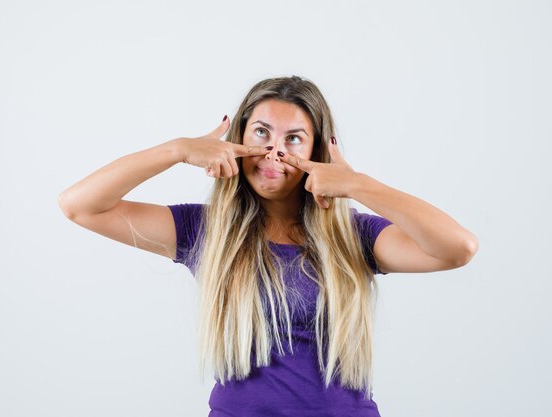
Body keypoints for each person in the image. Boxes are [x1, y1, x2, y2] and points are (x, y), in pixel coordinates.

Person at [57, 75, 478, 416]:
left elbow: (457, 247)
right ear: (239, 139)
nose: (275, 150)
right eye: (262, 132)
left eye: (294, 138)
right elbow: (80, 206)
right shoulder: (203, 230)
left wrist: (356, 184)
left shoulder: (355, 236)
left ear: (316, 149)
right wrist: (178, 149)